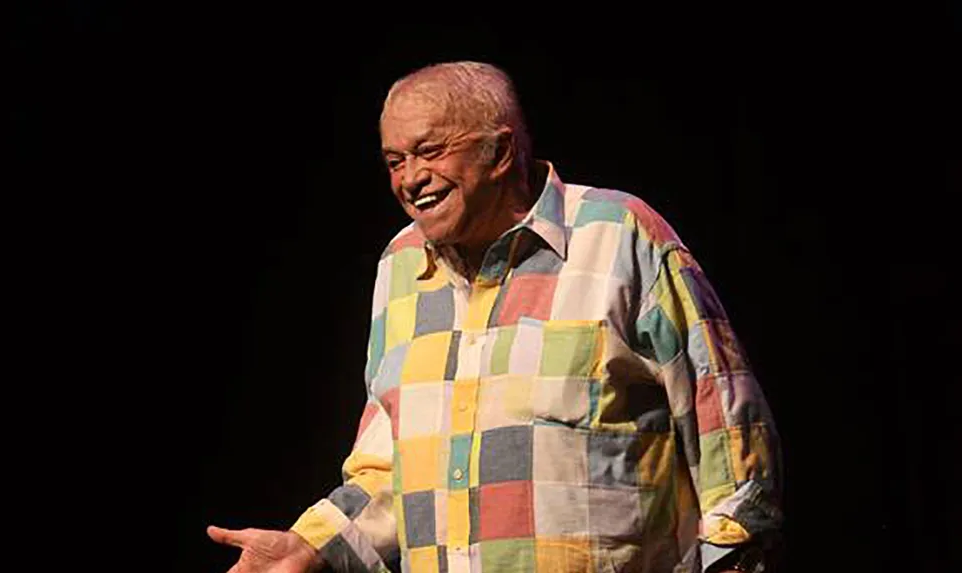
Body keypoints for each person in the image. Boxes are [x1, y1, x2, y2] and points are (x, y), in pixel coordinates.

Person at [208, 61, 783, 573]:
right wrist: (306, 547)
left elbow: (729, 433)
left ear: (501, 152)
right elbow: (390, 469)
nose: (410, 179)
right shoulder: (401, 267)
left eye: (430, 152)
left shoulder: (618, 236)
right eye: (394, 160)